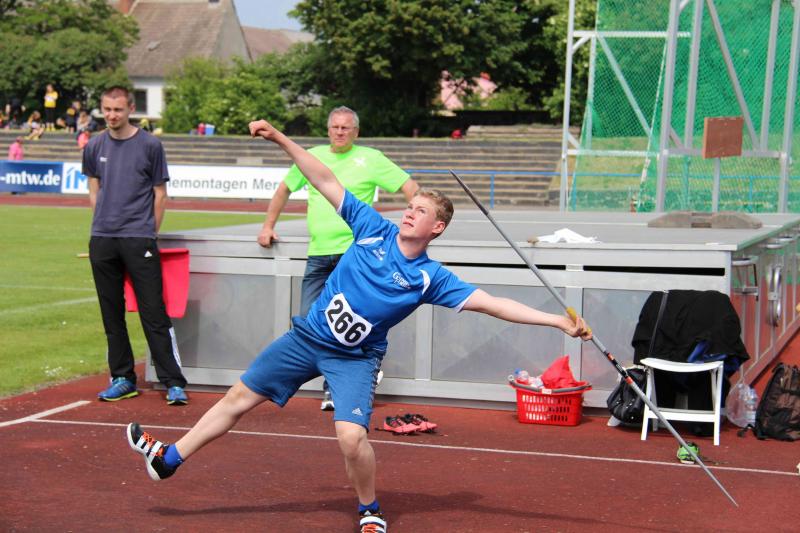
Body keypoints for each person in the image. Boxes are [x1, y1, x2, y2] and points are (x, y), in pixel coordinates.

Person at [125, 119, 591, 533]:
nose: (410, 211)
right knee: (238, 398)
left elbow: (492, 304)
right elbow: (324, 178)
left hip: (354, 358)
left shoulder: (430, 278)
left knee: (351, 438)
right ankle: (169, 458)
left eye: (421, 211)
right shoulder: (372, 227)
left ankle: (370, 509)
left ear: (437, 228)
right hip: (307, 338)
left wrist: (558, 320)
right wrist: (280, 138)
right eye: (411, 206)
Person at [258, 106, 419, 411]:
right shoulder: (313, 156)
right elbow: (284, 190)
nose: (340, 132)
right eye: (335, 127)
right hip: (318, 253)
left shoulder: (370, 158)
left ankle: (336, 388)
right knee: (308, 321)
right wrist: (268, 226)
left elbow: (410, 187)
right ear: (328, 129)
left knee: (347, 324)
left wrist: (412, 230)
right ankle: (290, 382)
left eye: (346, 128)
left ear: (356, 132)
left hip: (354, 257)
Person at [84, 86, 189, 405]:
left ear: (131, 109)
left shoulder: (150, 145)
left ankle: (173, 381)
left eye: (117, 109)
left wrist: (148, 232)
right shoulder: (94, 145)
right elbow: (93, 186)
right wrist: (102, 220)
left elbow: (160, 194)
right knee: (111, 314)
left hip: (139, 238)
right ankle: (122, 378)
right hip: (103, 239)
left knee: (153, 312)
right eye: (107, 109)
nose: (112, 115)